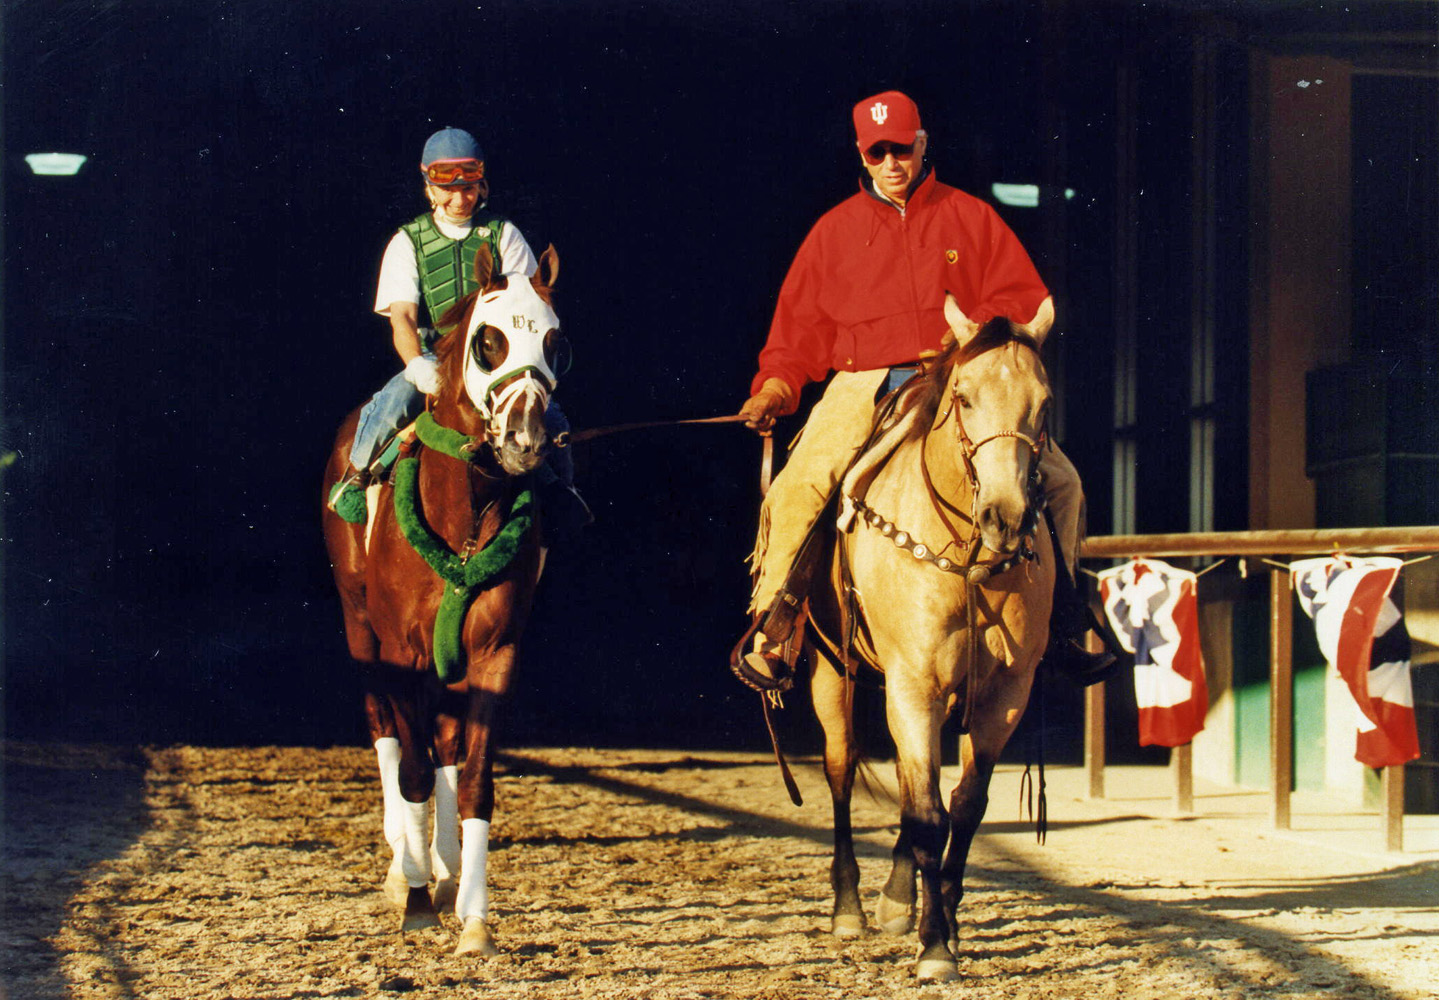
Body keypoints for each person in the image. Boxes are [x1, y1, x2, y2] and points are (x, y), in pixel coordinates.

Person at [734, 91, 1114, 691]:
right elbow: (796, 334)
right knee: (800, 483)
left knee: (1063, 483)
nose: (892, 162)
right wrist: (775, 388)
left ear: (922, 144)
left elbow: (1020, 302)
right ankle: (778, 629)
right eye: (877, 151)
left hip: (961, 375)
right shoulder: (832, 233)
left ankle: (1060, 623)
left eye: (901, 148)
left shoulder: (972, 217)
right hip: (866, 380)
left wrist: (972, 339)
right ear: (862, 156)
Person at [330, 127, 585, 534]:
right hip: (436, 354)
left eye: (469, 188)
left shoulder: (504, 234)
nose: (460, 199)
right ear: (429, 188)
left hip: (490, 357)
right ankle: (357, 476)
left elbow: (526, 307)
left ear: (480, 186)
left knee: (550, 415)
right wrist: (416, 365)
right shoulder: (406, 242)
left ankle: (561, 491)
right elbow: (403, 319)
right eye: (448, 189)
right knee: (395, 398)